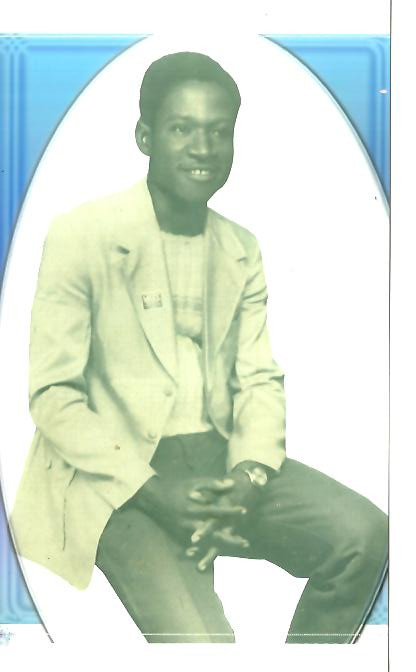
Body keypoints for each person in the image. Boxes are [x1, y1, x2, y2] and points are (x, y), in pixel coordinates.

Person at [11, 51, 387, 644]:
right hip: (113, 478)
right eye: (182, 128)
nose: (203, 148)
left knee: (365, 536)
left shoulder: (240, 247)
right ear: (145, 137)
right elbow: (54, 396)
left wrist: (248, 476)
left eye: (218, 131)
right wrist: (155, 491)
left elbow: (258, 379)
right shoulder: (82, 234)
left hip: (215, 461)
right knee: (205, 646)